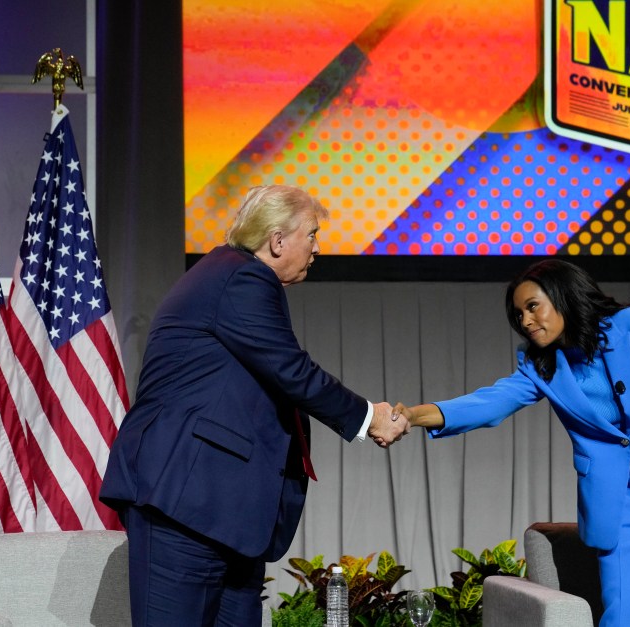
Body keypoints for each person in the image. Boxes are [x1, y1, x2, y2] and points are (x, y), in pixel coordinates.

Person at [99, 185, 410, 626]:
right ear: (278, 240)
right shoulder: (240, 277)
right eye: (313, 236)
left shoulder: (231, 275)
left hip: (223, 512)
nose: (318, 248)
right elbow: (290, 370)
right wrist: (368, 417)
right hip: (187, 505)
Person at [397, 259, 630, 627]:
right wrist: (414, 415)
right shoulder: (540, 366)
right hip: (618, 503)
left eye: (533, 307)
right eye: (518, 315)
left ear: (563, 296)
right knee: (625, 616)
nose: (526, 322)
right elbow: (490, 402)